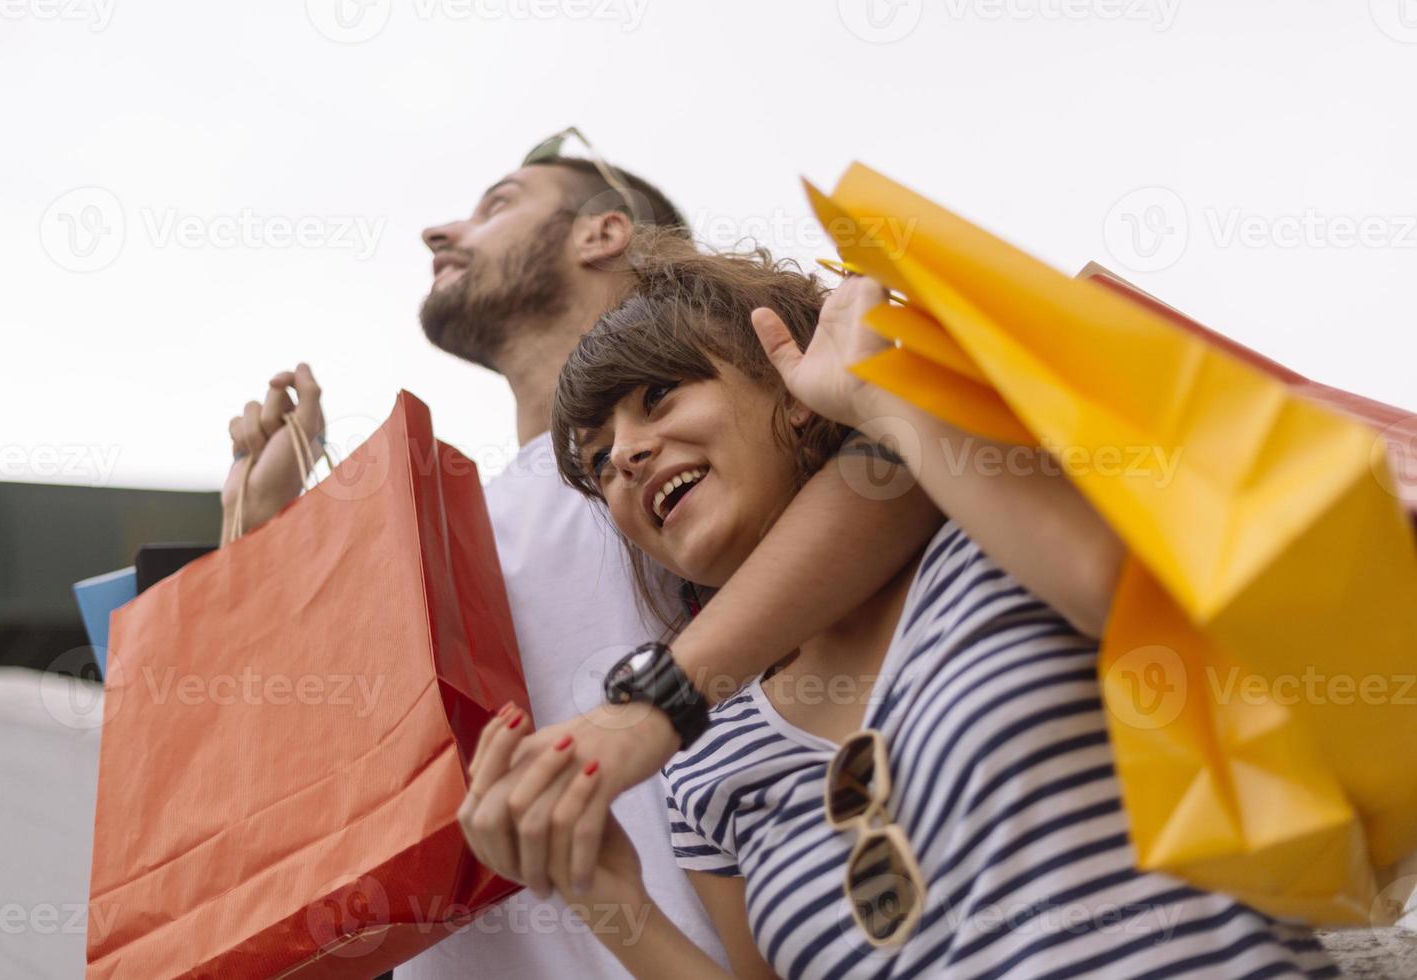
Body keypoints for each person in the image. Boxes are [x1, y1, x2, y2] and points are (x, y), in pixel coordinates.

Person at [462, 233, 1337, 977]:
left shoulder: (983, 523)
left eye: (659, 396)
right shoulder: (702, 771)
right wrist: (607, 899)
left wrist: (882, 399)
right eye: (598, 457)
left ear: (791, 388)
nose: (626, 455)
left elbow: (1116, 590)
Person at [220, 133, 938, 979]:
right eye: (596, 458)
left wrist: (650, 709)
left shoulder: (726, 463)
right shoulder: (438, 532)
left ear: (601, 233)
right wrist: (257, 537)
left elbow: (903, 469)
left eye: (496, 204)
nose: (437, 233)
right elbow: (285, 780)